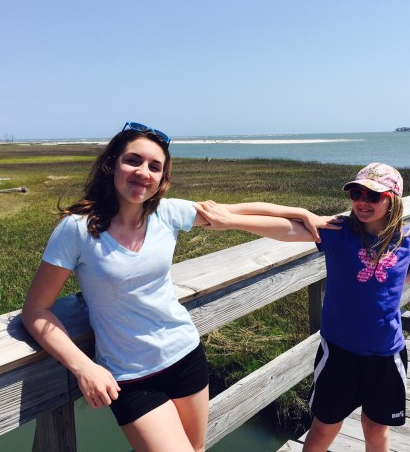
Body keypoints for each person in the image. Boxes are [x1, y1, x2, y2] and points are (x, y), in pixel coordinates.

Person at [21, 122, 335, 452]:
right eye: (133, 160)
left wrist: (301, 213)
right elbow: (36, 310)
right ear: (112, 164)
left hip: (184, 354)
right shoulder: (78, 229)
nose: (143, 172)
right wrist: (84, 367)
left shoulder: (166, 213)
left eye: (155, 167)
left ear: (163, 180)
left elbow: (237, 211)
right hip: (129, 376)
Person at [195, 163, 410, 452]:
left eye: (374, 196)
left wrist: (402, 282)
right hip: (339, 353)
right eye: (357, 193)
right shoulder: (339, 231)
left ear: (393, 200)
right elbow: (284, 228)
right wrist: (228, 215)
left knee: (376, 431)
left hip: (387, 354)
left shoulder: (406, 237)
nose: (362, 202)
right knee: (324, 427)